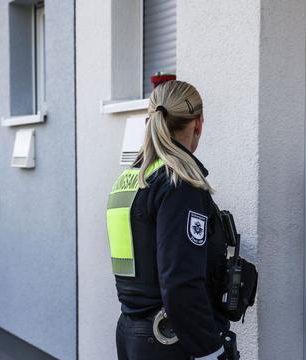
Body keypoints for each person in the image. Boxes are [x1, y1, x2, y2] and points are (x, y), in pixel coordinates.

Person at [107, 80, 232, 360]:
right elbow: (180, 283)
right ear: (197, 124)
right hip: (168, 343)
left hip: (131, 333)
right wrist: (211, 352)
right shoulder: (179, 183)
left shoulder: (131, 178)